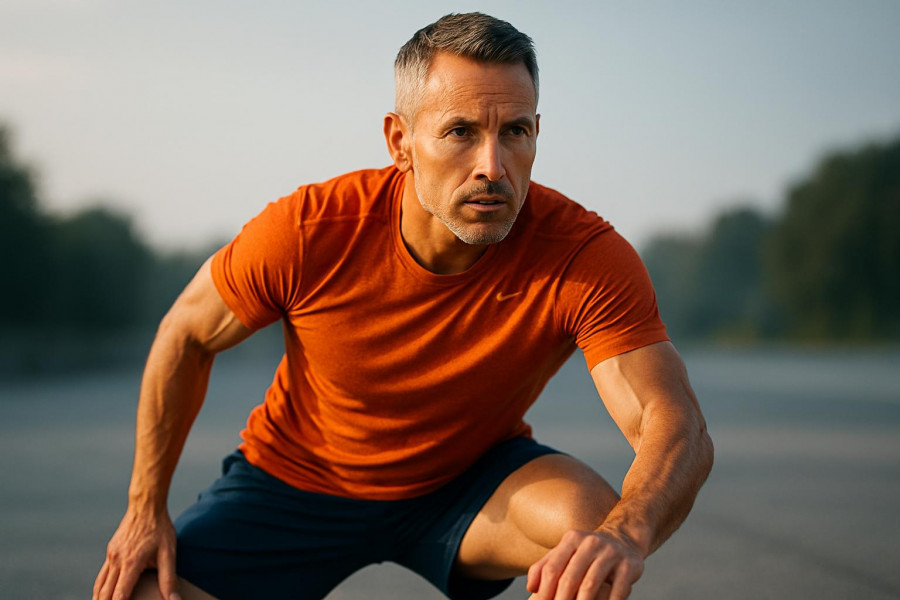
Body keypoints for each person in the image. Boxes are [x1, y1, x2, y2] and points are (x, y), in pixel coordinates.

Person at [93, 12, 713, 600]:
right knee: (141, 592)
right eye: (460, 132)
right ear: (401, 140)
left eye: (514, 132)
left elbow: (671, 421)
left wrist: (625, 532)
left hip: (467, 486)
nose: (491, 167)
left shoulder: (581, 254)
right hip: (299, 480)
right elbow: (186, 335)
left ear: (536, 134)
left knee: (590, 533)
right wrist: (144, 507)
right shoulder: (311, 231)